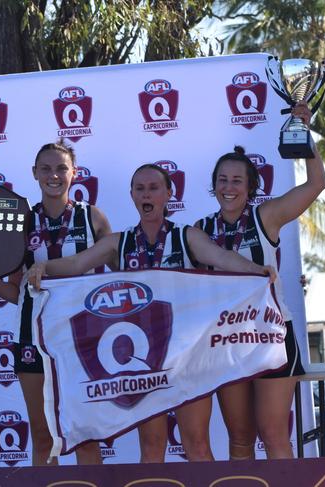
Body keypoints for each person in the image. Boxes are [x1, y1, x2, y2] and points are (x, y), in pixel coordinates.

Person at [27, 163, 277, 462]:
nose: (147, 194)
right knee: (152, 445)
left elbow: (221, 257)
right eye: (140, 188)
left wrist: (255, 270)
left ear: (168, 194)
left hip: (188, 357)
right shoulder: (119, 242)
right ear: (132, 194)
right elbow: (76, 265)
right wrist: (44, 267)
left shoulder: (187, 236)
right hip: (145, 362)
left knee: (196, 443)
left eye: (154, 188)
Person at [0, 141, 111, 465]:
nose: (53, 175)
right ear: (34, 173)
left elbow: (116, 281)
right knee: (43, 438)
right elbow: (16, 293)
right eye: (46, 168)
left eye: (61, 168)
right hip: (33, 336)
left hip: (84, 338)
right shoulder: (20, 222)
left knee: (85, 436)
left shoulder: (93, 218)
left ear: (75, 173)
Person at [194, 102, 325, 460]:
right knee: (239, 438)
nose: (228, 187)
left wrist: (305, 132)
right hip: (226, 342)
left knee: (273, 435)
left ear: (251, 186)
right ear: (213, 185)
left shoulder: (265, 216)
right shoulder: (199, 231)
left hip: (270, 338)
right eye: (222, 180)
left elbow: (317, 183)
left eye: (237, 180)